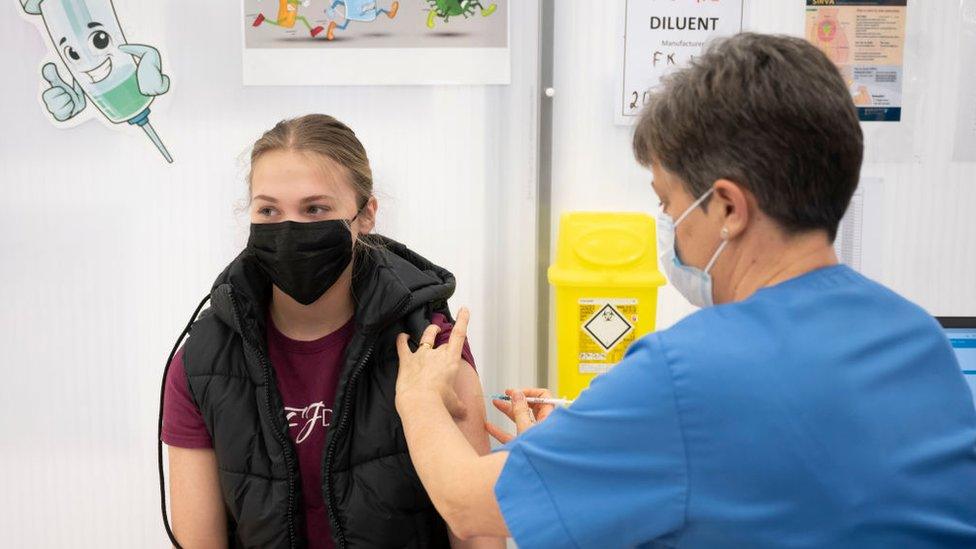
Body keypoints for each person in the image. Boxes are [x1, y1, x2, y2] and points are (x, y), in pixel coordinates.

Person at [393, 33, 976, 548]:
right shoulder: (915, 335)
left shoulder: (686, 372)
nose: (669, 226)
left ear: (727, 206)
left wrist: (417, 399)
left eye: (667, 202)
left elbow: (469, 509)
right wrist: (583, 457)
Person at [158, 114, 504, 548]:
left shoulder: (431, 346)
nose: (288, 229)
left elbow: (478, 537)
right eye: (269, 210)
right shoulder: (200, 364)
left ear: (366, 214)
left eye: (314, 209)